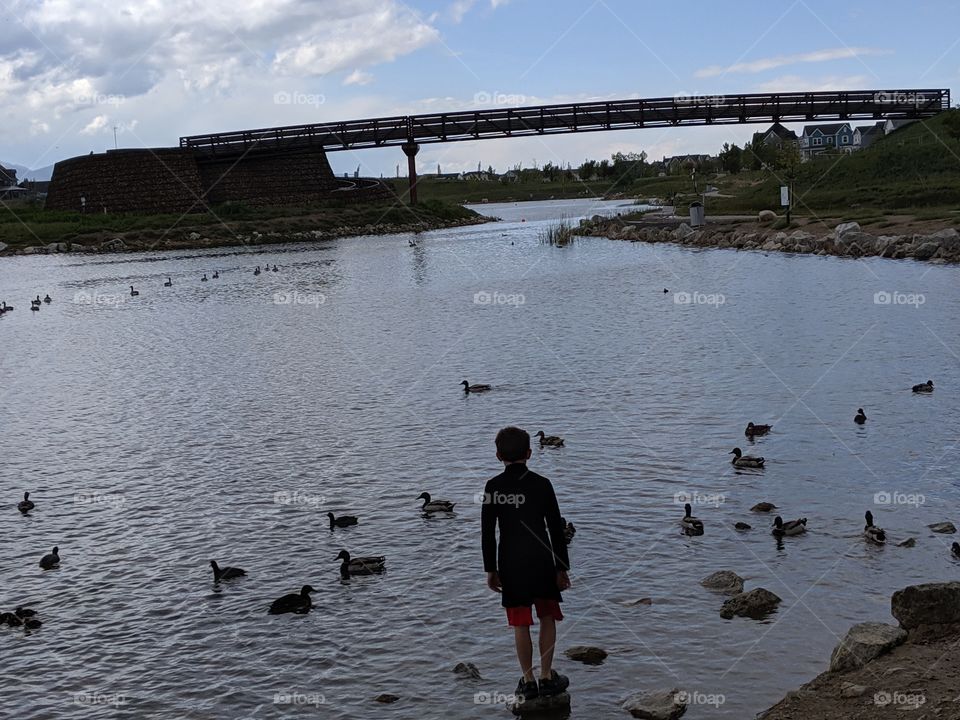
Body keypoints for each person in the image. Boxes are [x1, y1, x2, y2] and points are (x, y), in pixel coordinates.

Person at [481, 426, 571, 703]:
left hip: (511, 562)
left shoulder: (493, 487)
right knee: (547, 616)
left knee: (520, 623)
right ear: (530, 453)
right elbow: (555, 528)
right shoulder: (542, 484)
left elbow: (487, 532)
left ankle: (528, 680)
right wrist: (562, 567)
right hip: (542, 559)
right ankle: (546, 674)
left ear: (498, 455)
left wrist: (491, 569)